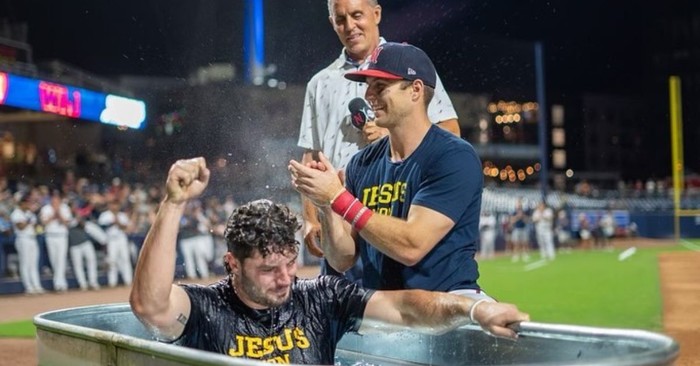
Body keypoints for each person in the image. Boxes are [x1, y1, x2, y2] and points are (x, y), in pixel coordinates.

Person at [130, 157, 529, 365]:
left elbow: (407, 309)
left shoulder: (319, 297)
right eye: (268, 270)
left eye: (290, 263)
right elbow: (150, 305)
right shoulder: (207, 308)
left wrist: (473, 308)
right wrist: (173, 203)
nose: (285, 278)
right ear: (231, 263)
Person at [290, 42, 486, 299]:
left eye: (380, 86)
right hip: (387, 309)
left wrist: (339, 198)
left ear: (415, 90)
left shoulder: (453, 156)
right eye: (368, 85)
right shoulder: (362, 162)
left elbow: (412, 245)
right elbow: (343, 259)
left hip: (446, 304)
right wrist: (326, 206)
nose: (369, 95)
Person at [297, 0, 461, 282]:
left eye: (357, 15)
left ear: (377, 14)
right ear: (332, 23)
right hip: (339, 221)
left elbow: (451, 132)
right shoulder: (319, 83)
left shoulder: (408, 65)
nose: (350, 26)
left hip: (394, 210)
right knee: (342, 314)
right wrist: (311, 218)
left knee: (400, 309)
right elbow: (312, 157)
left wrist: (395, 134)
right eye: (340, 19)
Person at [10, 192, 44, 294]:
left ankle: (37, 286)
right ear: (21, 203)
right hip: (22, 239)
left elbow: (36, 227)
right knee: (25, 264)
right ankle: (28, 287)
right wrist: (29, 220)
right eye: (26, 203)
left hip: (32, 239)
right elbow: (21, 227)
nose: (28, 204)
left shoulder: (29, 213)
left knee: (33, 264)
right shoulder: (16, 213)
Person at [39, 190, 72, 292]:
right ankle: (59, 282)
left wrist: (59, 214)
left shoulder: (65, 208)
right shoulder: (46, 208)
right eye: (54, 198)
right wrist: (53, 215)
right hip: (50, 236)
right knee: (54, 260)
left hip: (62, 236)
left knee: (61, 259)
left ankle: (60, 284)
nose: (55, 200)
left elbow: (67, 223)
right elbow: (43, 223)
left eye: (57, 198)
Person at [98, 199, 133, 287]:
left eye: (116, 205)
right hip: (111, 240)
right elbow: (102, 227)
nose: (114, 207)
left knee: (125, 259)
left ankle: (128, 281)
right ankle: (112, 282)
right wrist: (112, 223)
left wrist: (118, 223)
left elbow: (127, 227)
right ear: (109, 205)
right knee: (112, 261)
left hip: (121, 239)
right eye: (112, 204)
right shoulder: (105, 215)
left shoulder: (122, 215)